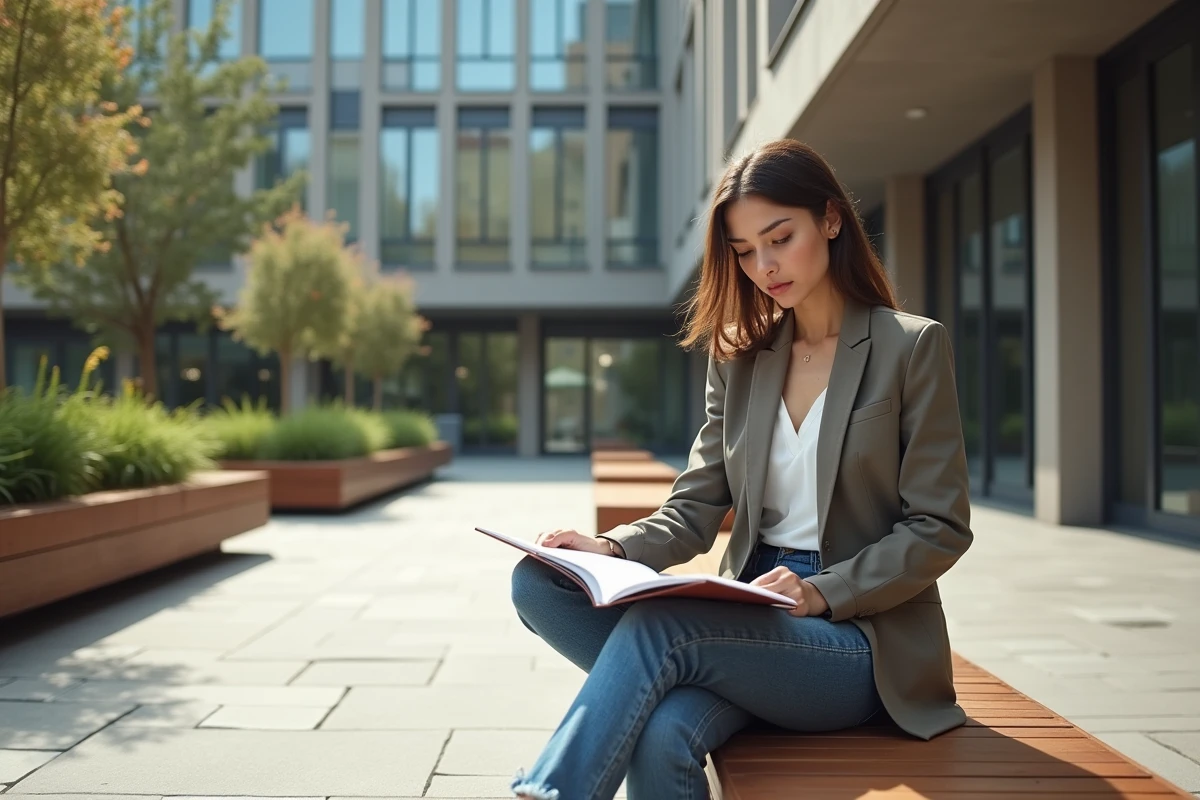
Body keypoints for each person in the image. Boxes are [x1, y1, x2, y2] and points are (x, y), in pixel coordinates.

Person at [508, 139, 973, 800]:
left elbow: (940, 527)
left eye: (779, 238)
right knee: (541, 590)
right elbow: (695, 509)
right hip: (748, 616)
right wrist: (609, 547)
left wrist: (822, 591)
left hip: (862, 642)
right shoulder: (739, 358)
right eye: (745, 250)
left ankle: (555, 791)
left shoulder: (909, 347)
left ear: (831, 220)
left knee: (665, 626)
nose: (765, 265)